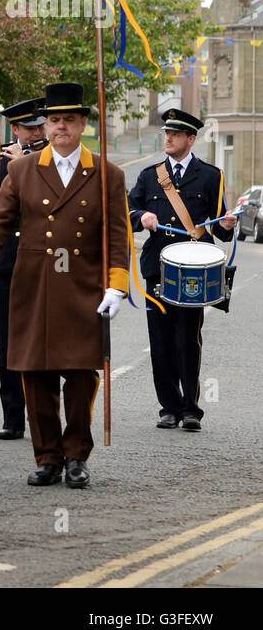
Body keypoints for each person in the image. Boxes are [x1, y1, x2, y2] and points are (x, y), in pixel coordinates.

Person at [0, 83, 129, 488]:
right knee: (36, 375)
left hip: (84, 286)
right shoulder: (21, 170)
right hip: (34, 285)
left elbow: (116, 236)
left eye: (70, 120)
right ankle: (47, 457)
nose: (61, 127)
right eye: (55, 119)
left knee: (80, 376)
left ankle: (77, 455)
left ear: (83, 125)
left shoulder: (107, 173)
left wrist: (117, 286)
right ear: (47, 124)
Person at [127, 108, 237, 431]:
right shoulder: (150, 176)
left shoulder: (211, 176)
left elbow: (222, 228)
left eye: (175, 134)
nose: (169, 137)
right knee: (159, 339)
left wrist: (228, 224)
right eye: (167, 133)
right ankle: (168, 407)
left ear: (191, 139)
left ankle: (191, 407)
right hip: (157, 267)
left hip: (193, 272)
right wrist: (141, 217)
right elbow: (130, 208)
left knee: (188, 338)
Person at [0, 97, 47, 441]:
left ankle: (43, 414)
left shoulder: (54, 162)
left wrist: (31, 167)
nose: (37, 132)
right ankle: (13, 416)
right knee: (7, 343)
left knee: (41, 343)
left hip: (44, 263)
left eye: (41, 126)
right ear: (16, 131)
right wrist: (13, 167)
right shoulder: (0, 162)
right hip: (8, 265)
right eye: (30, 128)